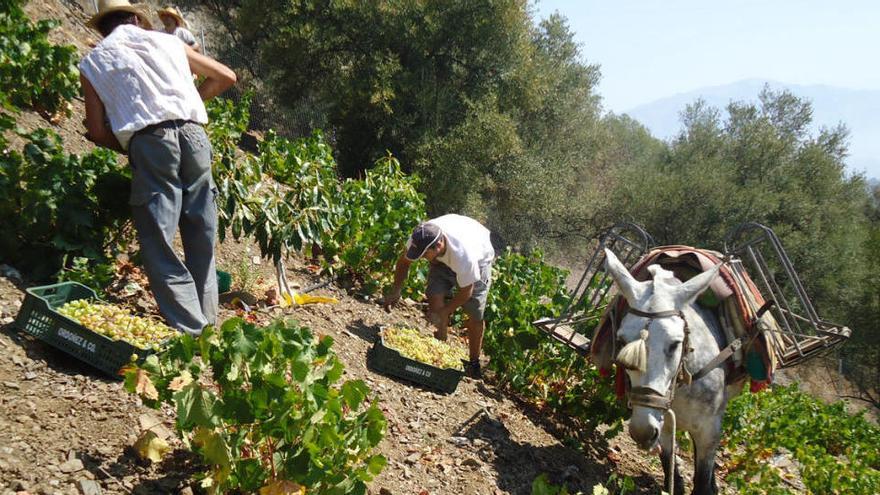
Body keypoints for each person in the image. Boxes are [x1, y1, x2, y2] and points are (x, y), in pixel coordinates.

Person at [80, 0, 236, 335]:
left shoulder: (93, 61)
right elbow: (225, 76)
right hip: (194, 136)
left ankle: (192, 333)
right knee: (201, 233)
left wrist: (129, 145)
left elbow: (94, 130)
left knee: (158, 239)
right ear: (137, 19)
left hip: (150, 142)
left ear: (102, 28)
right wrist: (186, 100)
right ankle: (208, 327)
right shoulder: (168, 41)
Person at [384, 214, 495, 378]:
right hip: (447, 250)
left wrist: (445, 311)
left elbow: (466, 292)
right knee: (435, 295)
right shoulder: (421, 236)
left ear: (438, 246)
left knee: (474, 313)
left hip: (479, 259)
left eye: (424, 254)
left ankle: (474, 362)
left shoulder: (465, 256)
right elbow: (404, 262)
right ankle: (440, 345)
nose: (421, 257)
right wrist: (396, 290)